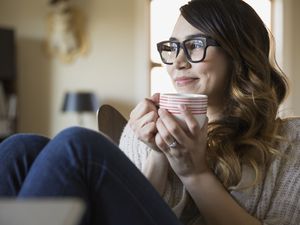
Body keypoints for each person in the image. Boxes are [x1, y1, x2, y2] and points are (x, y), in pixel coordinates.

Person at [0, 0, 299, 224]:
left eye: (194, 45)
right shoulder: (142, 127)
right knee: (19, 148)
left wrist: (194, 172)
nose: (177, 61)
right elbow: (128, 209)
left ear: (239, 53)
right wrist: (156, 154)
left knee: (78, 146)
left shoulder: (289, 142)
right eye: (172, 47)